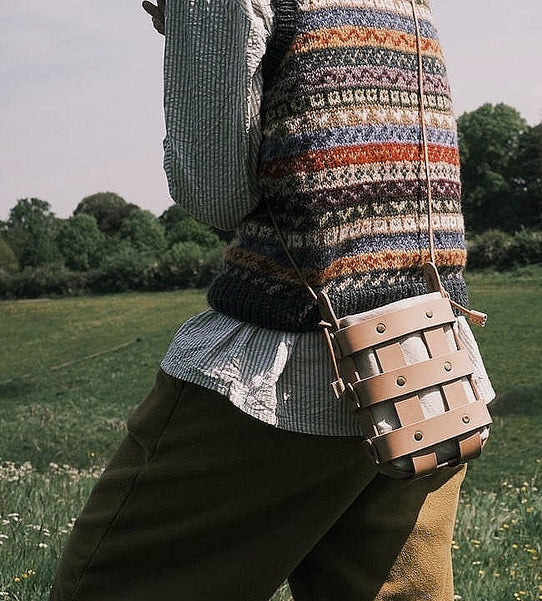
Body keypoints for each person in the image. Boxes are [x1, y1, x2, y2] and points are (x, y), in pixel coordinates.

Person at [50, 0, 492, 599]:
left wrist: (193, 41)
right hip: (428, 365)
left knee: (105, 586)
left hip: (292, 369)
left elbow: (213, 192)